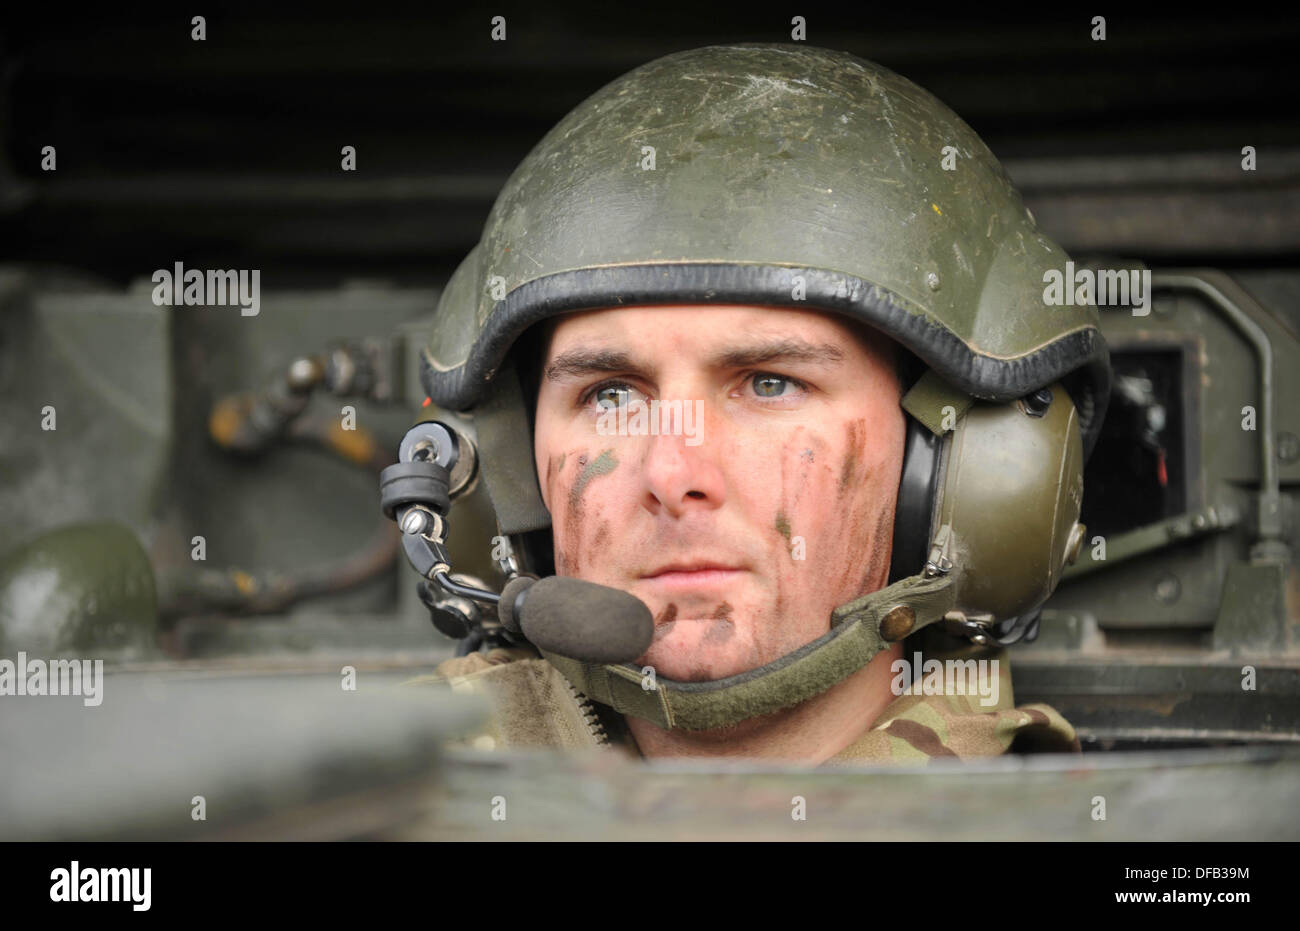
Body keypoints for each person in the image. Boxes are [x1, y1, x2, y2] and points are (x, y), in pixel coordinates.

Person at [409, 43, 1110, 764]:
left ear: (956, 477)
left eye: (769, 383)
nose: (672, 472)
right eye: (610, 394)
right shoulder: (359, 803)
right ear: (507, 479)